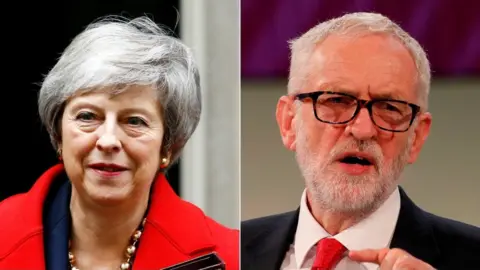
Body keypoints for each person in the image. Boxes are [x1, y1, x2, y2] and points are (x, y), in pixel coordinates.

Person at [241, 12, 480, 270]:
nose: (363, 130)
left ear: (417, 136)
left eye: (389, 107)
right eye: (336, 101)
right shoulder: (234, 252)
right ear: (288, 122)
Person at [0, 16, 238, 270]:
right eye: (88, 116)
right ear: (58, 134)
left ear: (168, 145)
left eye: (134, 121)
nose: (108, 140)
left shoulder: (232, 256)